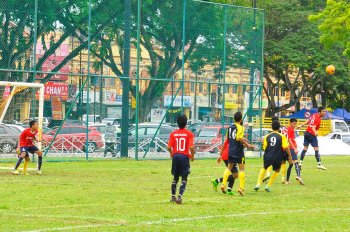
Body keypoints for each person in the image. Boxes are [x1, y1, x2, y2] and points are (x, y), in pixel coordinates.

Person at [221, 112, 255, 196]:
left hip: (231, 150)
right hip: (239, 151)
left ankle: (223, 184)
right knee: (242, 169)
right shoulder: (241, 127)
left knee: (229, 168)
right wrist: (248, 145)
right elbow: (239, 138)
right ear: (241, 119)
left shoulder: (229, 128)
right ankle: (241, 188)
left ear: (234, 118)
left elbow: (229, 140)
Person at [254, 120, 292, 192]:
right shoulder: (282, 136)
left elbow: (264, 147)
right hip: (277, 156)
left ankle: (258, 184)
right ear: (279, 128)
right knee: (277, 170)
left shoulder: (267, 136)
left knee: (264, 167)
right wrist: (290, 156)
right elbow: (286, 147)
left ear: (271, 128)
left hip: (268, 155)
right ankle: (268, 186)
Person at [167, 114, 195, 204]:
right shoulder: (189, 134)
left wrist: (172, 154)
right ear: (186, 123)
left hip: (176, 156)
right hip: (184, 157)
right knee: (184, 177)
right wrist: (193, 156)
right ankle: (179, 197)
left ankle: (173, 197)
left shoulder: (173, 134)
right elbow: (191, 147)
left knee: (175, 177)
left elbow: (168, 147)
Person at [284, 118, 304, 185]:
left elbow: (289, 135)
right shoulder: (290, 129)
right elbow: (289, 139)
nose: (294, 125)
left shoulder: (288, 129)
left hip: (286, 148)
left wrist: (296, 127)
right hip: (291, 148)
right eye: (293, 124)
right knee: (296, 162)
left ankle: (287, 180)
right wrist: (294, 148)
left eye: (295, 124)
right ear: (290, 123)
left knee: (290, 164)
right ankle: (298, 176)